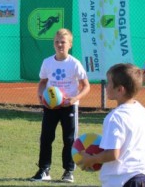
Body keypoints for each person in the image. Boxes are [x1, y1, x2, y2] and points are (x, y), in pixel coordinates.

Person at [78, 63, 145, 186]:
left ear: (120, 90)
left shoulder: (115, 117)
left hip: (125, 179)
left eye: (109, 83)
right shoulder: (143, 111)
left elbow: (113, 154)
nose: (106, 86)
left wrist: (91, 159)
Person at [31, 28, 90, 183]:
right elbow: (42, 82)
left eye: (63, 42)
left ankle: (68, 171)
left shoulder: (74, 63)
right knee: (46, 137)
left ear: (70, 44)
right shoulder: (47, 62)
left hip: (69, 106)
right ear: (53, 44)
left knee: (69, 139)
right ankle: (44, 170)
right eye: (57, 42)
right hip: (51, 106)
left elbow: (86, 86)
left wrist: (74, 98)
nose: (59, 45)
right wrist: (40, 95)